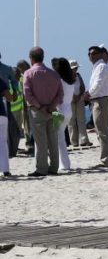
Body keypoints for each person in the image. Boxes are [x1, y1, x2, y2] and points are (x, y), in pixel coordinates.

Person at [23, 47, 64, 177]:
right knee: (53, 139)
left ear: (31, 58)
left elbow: (28, 94)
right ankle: (54, 167)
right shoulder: (53, 74)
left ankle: (41, 169)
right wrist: (52, 106)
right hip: (52, 110)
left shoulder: (28, 73)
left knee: (41, 142)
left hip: (37, 111)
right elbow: (60, 94)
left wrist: (39, 106)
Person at [85, 45, 108, 168]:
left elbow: (98, 85)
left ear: (100, 54)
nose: (91, 56)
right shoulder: (96, 67)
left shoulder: (101, 67)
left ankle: (107, 159)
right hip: (97, 100)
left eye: (94, 53)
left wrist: (88, 94)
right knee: (101, 131)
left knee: (103, 131)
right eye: (89, 54)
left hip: (101, 100)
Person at [52, 58, 76, 172]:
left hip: (59, 110)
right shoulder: (71, 81)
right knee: (61, 137)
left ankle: (64, 164)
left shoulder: (59, 81)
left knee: (58, 138)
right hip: (68, 110)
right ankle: (65, 163)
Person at [0, 53, 21, 158]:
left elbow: (14, 81)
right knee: (8, 127)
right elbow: (14, 81)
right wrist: (15, 92)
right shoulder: (7, 69)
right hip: (5, 99)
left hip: (5, 99)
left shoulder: (7, 69)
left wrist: (15, 92)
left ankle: (10, 151)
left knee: (10, 128)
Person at [68, 60, 91, 147]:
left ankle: (84, 140)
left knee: (81, 120)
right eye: (74, 68)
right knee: (71, 121)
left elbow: (82, 87)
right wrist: (73, 96)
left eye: (76, 67)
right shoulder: (66, 77)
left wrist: (79, 95)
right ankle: (74, 142)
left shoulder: (78, 76)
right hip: (70, 100)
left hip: (79, 99)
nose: (76, 69)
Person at [0, 77, 12, 176]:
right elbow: (10, 98)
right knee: (3, 143)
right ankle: (5, 169)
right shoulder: (0, 80)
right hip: (1, 114)